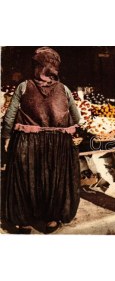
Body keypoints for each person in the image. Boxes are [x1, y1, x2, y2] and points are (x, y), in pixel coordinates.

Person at [1, 47, 81, 234]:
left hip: (28, 143)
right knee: (54, 180)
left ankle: (23, 221)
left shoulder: (23, 86)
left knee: (27, 179)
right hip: (57, 145)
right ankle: (52, 220)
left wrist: (5, 137)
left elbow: (10, 116)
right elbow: (77, 118)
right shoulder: (64, 89)